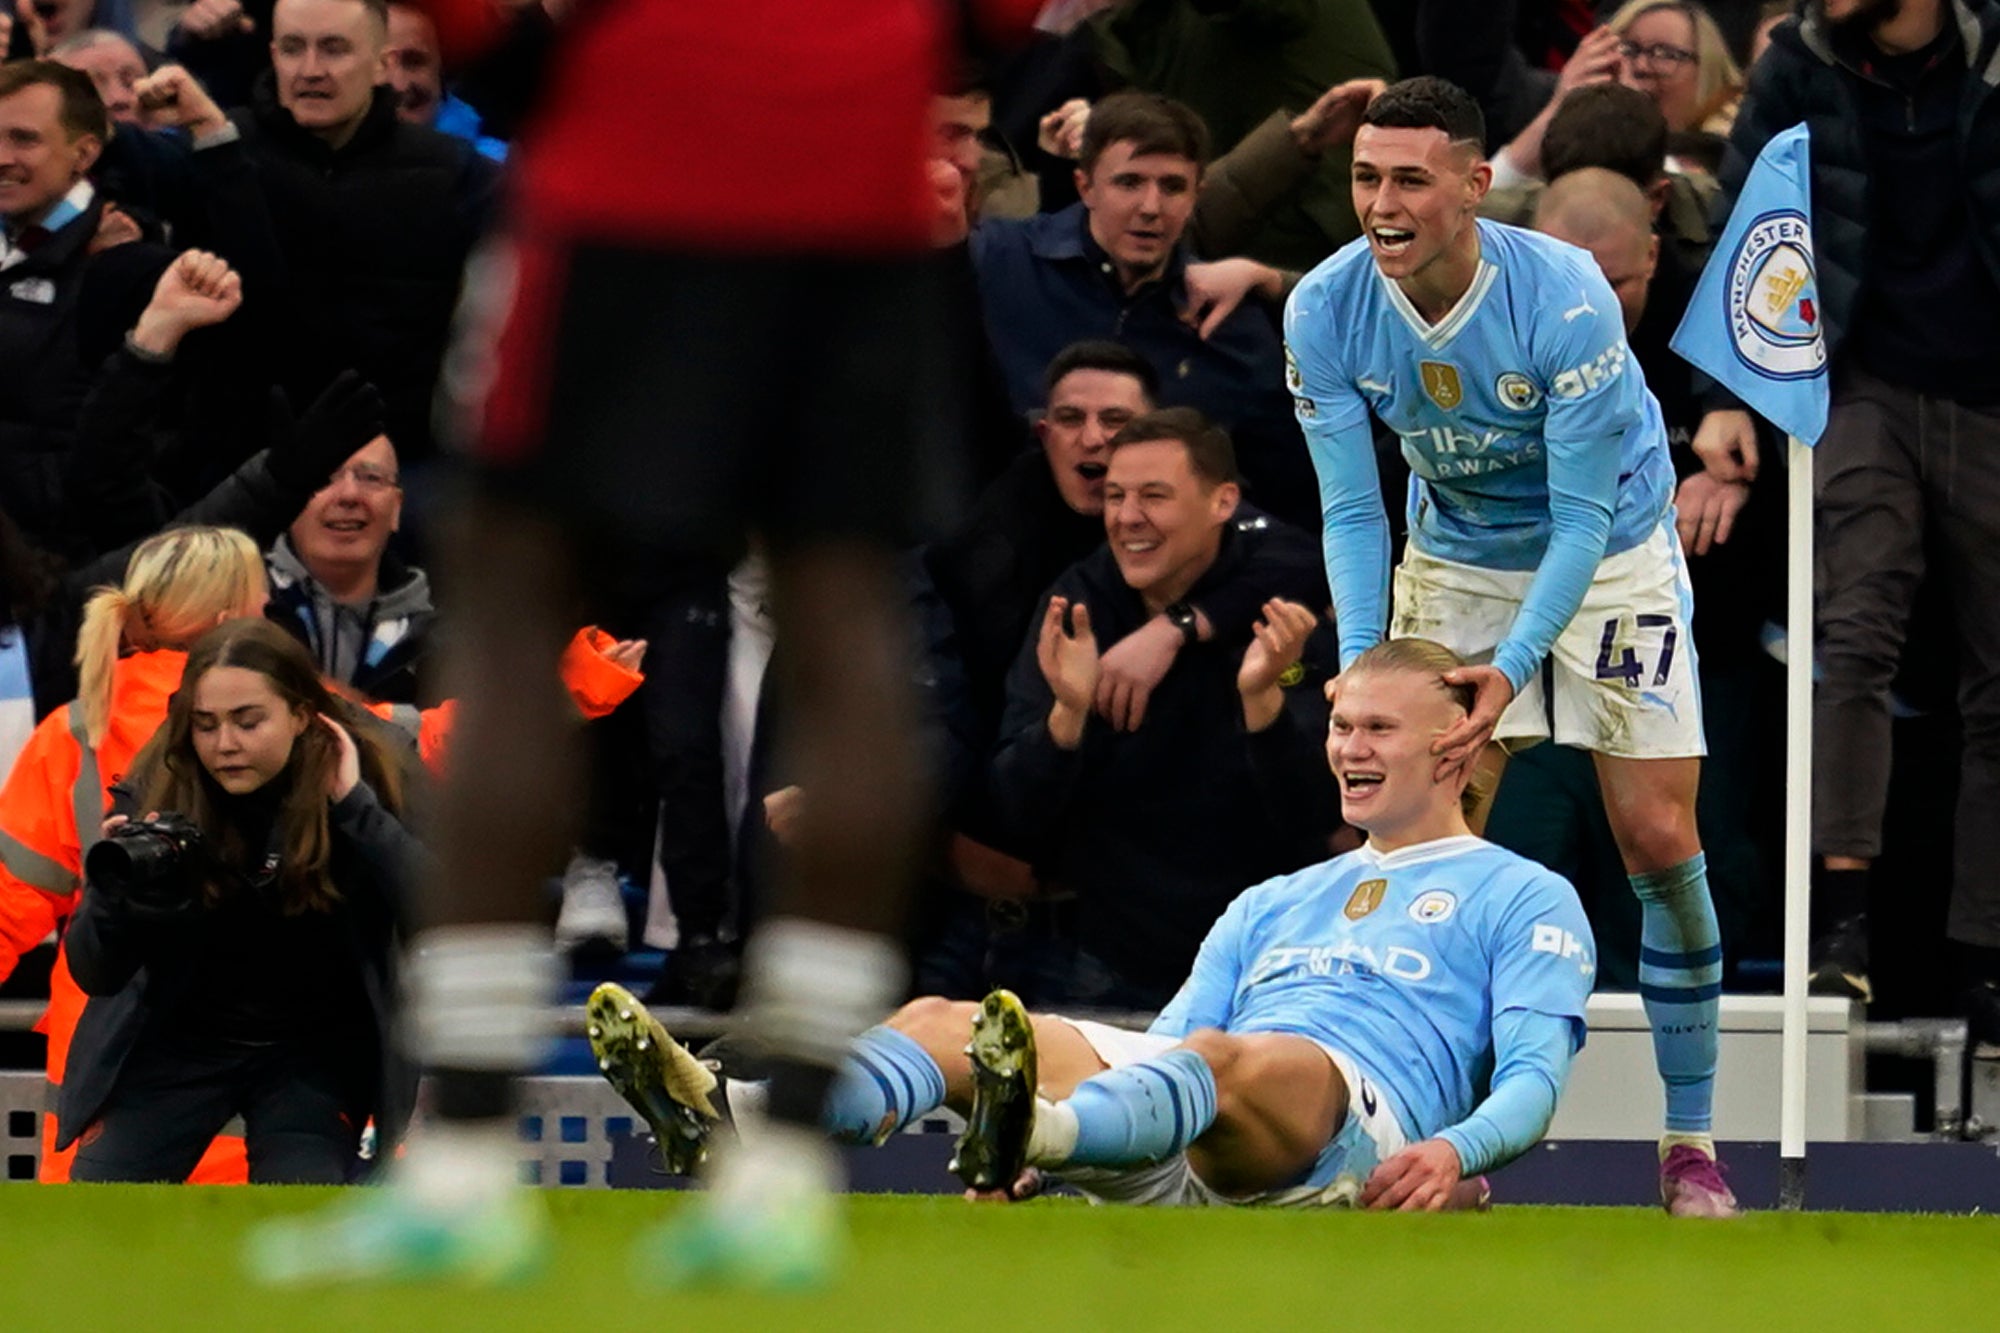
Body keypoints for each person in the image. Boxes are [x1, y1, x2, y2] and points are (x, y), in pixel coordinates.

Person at [243, 0, 1047, 1291]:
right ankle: (784, 1168)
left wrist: (522, 59)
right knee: (849, 616)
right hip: (854, 160)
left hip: (630, 152)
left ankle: (462, 1167)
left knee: (513, 608)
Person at [586, 638, 1594, 1214]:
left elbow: (1531, 1084)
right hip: (1184, 1115)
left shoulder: (1519, 893)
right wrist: (1079, 1145)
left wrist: (1455, 1154)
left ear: (1453, 749)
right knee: (945, 1017)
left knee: (1242, 1055)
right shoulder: (1275, 897)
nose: (1347, 747)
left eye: (1376, 728)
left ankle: (1044, 1127)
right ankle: (748, 1116)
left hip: (1342, 1146)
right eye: (1339, 724)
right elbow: (1163, 1044)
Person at [1282, 76, 1736, 1217]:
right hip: (1452, 556)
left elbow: (1581, 519)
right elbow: (1351, 510)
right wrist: (1358, 665)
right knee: (1412, 839)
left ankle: (1687, 1142)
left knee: (1655, 838)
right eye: (1363, 178)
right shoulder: (1325, 307)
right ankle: (1414, 1139)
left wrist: (1515, 665)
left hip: (1612, 554)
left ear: (1475, 186)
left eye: (1408, 181)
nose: (1380, 205)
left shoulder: (1562, 295)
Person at [1687, 0, 2000, 1028]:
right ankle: (1840, 927)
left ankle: (1980, 954)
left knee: (1994, 682)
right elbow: (1741, 223)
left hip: (1986, 391)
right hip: (1853, 381)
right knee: (1852, 637)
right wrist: (1724, 396)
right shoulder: (1798, 61)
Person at [986, 407, 1337, 1007]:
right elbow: (1013, 814)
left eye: (1155, 495)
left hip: (1269, 963)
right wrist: (1067, 717)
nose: (1127, 518)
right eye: (1116, 495)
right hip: (1102, 964)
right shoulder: (1076, 606)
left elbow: (1319, 819)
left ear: (1224, 502)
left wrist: (1263, 705)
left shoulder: (1280, 611)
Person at [59, 617, 421, 1183]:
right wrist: (113, 898)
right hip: (180, 1037)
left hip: (315, 1051)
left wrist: (357, 811)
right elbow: (95, 971)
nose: (225, 745)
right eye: (205, 725)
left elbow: (443, 915)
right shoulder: (165, 774)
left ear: (302, 714)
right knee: (94, 1203)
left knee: (302, 1211)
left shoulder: (374, 765)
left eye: (248, 722)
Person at [969, 90, 1319, 527]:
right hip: (994, 551)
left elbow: (1290, 498)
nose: (1150, 208)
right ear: (1086, 186)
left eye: (1172, 187)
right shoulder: (999, 262)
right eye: (1129, 183)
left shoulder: (1229, 328)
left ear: (1196, 196)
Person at [265, 434, 436, 705]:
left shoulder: (443, 636)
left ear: (397, 509)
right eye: (324, 478)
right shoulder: (239, 602)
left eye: (371, 478)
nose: (349, 495)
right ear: (290, 497)